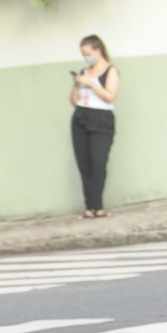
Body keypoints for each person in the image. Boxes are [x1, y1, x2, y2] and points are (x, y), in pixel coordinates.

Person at [71, 34, 120, 219]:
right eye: (83, 54)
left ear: (98, 50)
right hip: (81, 116)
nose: (86, 58)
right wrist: (77, 85)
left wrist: (91, 84)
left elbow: (110, 96)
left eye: (88, 53)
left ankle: (98, 206)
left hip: (101, 117)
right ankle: (89, 207)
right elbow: (74, 101)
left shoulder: (111, 70)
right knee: (84, 164)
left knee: (98, 162)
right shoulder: (85, 72)